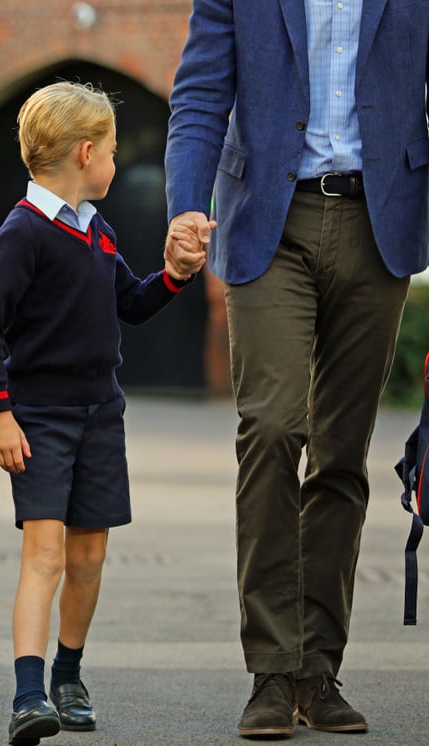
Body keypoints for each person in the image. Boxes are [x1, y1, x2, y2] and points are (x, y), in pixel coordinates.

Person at [165, 1, 429, 738]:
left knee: (343, 453)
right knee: (274, 426)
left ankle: (319, 669)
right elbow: (200, 95)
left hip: (381, 222)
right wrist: (185, 206)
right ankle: (272, 672)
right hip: (266, 223)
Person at [0, 81, 209, 746]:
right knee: (44, 553)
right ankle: (27, 695)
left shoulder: (96, 229)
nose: (114, 160)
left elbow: (130, 301)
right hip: (39, 417)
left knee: (90, 555)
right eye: (109, 150)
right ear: (84, 153)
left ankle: (67, 675)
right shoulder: (21, 234)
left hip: (102, 413)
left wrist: (176, 275)